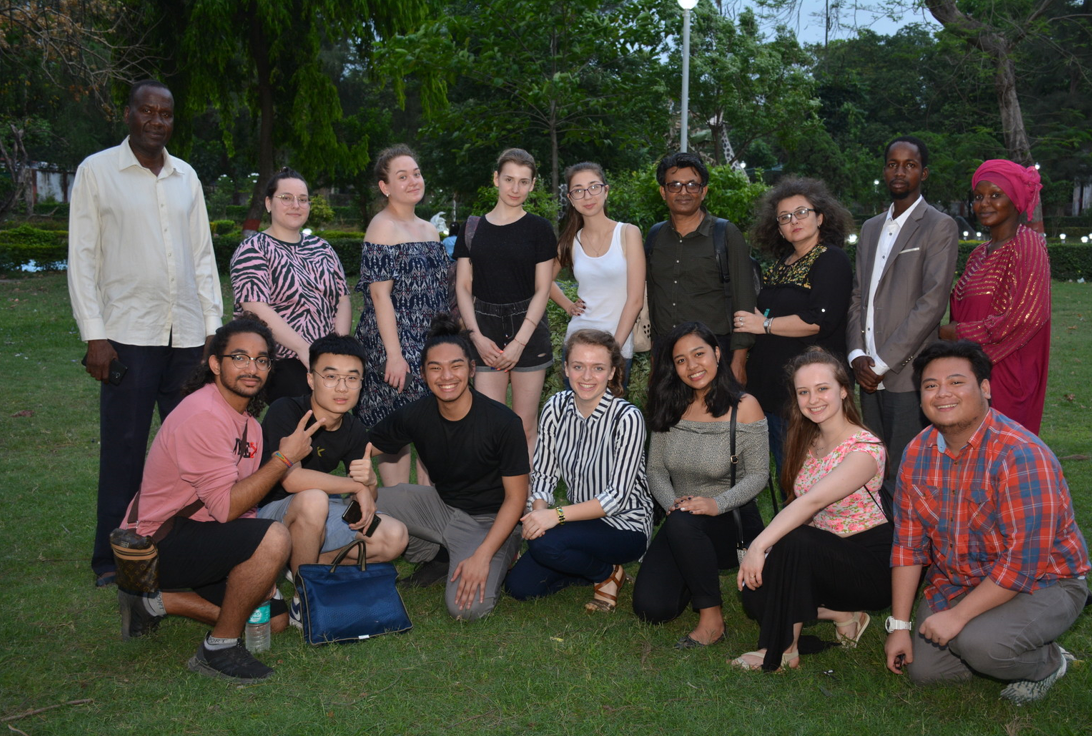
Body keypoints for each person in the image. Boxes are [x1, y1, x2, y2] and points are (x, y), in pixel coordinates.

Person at [68, 79, 224, 588]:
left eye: (166, 114)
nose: (157, 121)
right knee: (126, 450)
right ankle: (111, 560)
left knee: (192, 450)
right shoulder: (97, 172)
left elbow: (202, 257)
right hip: (127, 336)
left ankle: (185, 546)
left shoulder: (186, 177)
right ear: (129, 114)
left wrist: (212, 329)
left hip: (187, 336)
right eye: (147, 111)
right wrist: (95, 335)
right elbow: (82, 258)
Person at [118, 317, 323, 683]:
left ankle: (152, 603)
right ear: (215, 363)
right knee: (275, 536)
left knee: (273, 621)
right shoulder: (203, 415)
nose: (252, 368)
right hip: (158, 541)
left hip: (202, 531)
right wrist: (284, 459)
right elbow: (226, 507)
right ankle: (219, 648)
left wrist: (260, 570)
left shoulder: (250, 425)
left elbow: (243, 506)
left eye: (262, 360)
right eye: (239, 357)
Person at [884, 340, 1089, 705]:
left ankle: (1048, 662)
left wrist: (958, 617)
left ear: (985, 388)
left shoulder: (1021, 455)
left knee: (981, 644)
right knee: (926, 672)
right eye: (931, 385)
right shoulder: (917, 452)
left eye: (956, 382)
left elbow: (1022, 564)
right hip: (962, 579)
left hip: (1045, 582)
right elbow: (907, 546)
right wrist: (899, 627)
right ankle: (996, 638)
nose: (942, 393)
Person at [357, 315, 529, 620]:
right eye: (435, 368)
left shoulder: (503, 423)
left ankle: (502, 552)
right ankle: (439, 556)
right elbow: (363, 446)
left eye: (456, 366)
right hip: (440, 506)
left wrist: (483, 556)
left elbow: (516, 499)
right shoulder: (417, 414)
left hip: (490, 522)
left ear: (471, 369)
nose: (446, 376)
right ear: (424, 374)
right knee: (354, 507)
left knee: (466, 609)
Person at [732, 348, 891, 671]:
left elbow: (812, 502)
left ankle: (783, 651)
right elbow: (797, 505)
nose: (813, 399)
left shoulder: (866, 448)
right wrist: (770, 555)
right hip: (820, 555)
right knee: (754, 593)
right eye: (803, 392)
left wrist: (759, 546)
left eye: (822, 389)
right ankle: (843, 614)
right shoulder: (808, 441)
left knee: (795, 541)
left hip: (868, 565)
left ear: (843, 390)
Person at [632, 322, 768, 648]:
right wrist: (673, 504)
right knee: (652, 609)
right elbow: (656, 470)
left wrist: (715, 504)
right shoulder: (669, 403)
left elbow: (758, 475)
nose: (692, 366)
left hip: (731, 520)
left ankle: (711, 619)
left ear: (717, 354)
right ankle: (692, 574)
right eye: (681, 360)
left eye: (699, 354)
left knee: (684, 522)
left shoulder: (744, 406)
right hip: (682, 521)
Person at [257, 333, 408, 620]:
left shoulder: (353, 428)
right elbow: (291, 480)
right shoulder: (287, 410)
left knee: (395, 536)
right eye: (330, 377)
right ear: (311, 379)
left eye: (352, 378)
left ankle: (299, 563)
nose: (342, 387)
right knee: (314, 499)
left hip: (317, 515)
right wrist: (354, 486)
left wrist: (369, 484)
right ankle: (305, 596)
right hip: (269, 517)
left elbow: (363, 502)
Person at [504, 329, 653, 610]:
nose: (587, 377)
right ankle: (593, 567)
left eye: (598, 368)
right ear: (566, 369)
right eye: (578, 366)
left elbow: (616, 498)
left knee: (545, 546)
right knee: (520, 587)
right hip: (581, 520)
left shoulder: (627, 417)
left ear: (612, 372)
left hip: (626, 525)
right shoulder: (555, 407)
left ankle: (606, 574)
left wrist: (555, 516)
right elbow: (544, 474)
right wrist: (538, 514)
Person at [847, 136, 959, 506]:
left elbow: (932, 304)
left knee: (908, 472)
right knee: (874, 466)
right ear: (884, 170)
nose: (900, 171)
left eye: (909, 165)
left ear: (923, 173)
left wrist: (881, 363)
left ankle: (909, 540)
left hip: (906, 372)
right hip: (866, 371)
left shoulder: (939, 226)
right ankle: (881, 537)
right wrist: (857, 355)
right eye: (893, 164)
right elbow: (858, 295)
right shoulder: (870, 228)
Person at [733, 178, 854, 476]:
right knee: (787, 472)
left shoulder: (831, 259)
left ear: (820, 217)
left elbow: (817, 320)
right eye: (784, 217)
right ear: (778, 229)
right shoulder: (781, 264)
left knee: (808, 474)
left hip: (807, 391)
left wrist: (765, 324)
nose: (794, 221)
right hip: (772, 387)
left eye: (801, 212)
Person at [354, 145, 449, 484]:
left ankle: (427, 509)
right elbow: (379, 296)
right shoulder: (382, 227)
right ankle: (395, 508)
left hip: (429, 342)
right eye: (402, 176)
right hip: (394, 342)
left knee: (432, 429)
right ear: (385, 187)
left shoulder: (429, 229)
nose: (413, 181)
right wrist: (394, 356)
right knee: (395, 430)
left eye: (416, 174)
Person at [454, 148, 557, 458]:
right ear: (496, 179)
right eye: (509, 179)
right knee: (490, 425)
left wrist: (519, 342)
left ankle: (527, 487)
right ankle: (494, 487)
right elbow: (463, 286)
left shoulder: (539, 229)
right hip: (483, 328)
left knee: (525, 425)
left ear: (533, 184)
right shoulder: (472, 228)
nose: (515, 188)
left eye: (524, 182)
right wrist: (475, 336)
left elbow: (543, 289)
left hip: (529, 329)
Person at [940, 160, 1050, 434]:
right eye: (978, 197)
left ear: (1015, 200)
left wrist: (959, 333)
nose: (984, 204)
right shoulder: (979, 253)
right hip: (971, 369)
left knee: (1000, 447)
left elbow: (1027, 318)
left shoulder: (1027, 244)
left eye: (995, 195)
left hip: (1008, 373)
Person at [230, 167, 352, 403]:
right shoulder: (253, 249)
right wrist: (304, 349)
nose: (296, 205)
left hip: (325, 356)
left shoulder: (323, 248)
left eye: (303, 199)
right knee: (307, 412)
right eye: (286, 198)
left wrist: (336, 347)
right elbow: (255, 307)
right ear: (268, 203)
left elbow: (343, 300)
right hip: (279, 359)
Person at [645, 152, 757, 385]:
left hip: (714, 354)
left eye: (692, 185)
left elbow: (744, 301)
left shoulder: (725, 234)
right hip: (666, 354)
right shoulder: (655, 236)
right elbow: (653, 297)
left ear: (703, 191)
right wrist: (655, 354)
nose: (683, 192)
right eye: (675, 185)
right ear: (663, 192)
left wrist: (739, 360)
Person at [549, 163, 645, 385]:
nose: (587, 196)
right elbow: (543, 282)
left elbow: (635, 300)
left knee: (610, 408)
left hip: (617, 347)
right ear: (571, 199)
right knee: (575, 408)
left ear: (606, 190)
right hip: (577, 347)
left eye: (594, 187)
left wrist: (613, 351)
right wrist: (567, 305)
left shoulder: (628, 233)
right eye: (578, 190)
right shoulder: (570, 242)